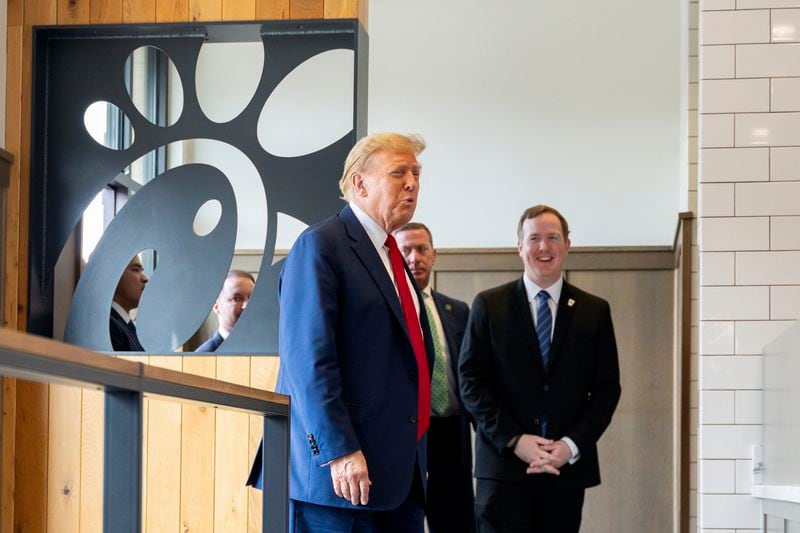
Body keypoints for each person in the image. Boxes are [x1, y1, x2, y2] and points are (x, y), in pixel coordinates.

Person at [247, 132, 435, 533]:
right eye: (398, 172)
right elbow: (307, 361)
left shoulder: (391, 257)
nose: (412, 183)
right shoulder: (322, 245)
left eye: (416, 173)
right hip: (339, 481)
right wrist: (339, 452)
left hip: (397, 477)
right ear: (360, 183)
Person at [459, 205, 621, 533]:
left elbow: (607, 390)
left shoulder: (595, 310)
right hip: (503, 470)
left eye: (552, 238)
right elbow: (471, 384)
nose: (543, 247)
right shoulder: (489, 305)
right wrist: (515, 440)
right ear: (520, 247)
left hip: (565, 472)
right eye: (534, 238)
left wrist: (570, 446)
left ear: (567, 245)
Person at [395, 222, 475, 533]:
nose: (414, 257)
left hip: (452, 436)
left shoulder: (458, 310)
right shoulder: (389, 310)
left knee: (457, 523)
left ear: (434, 255)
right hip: (409, 436)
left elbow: (470, 375)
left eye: (421, 249)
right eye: (405, 251)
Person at [196, 270, 255, 352]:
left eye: (251, 298)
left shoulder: (269, 348)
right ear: (216, 306)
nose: (246, 305)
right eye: (236, 299)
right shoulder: (204, 356)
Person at [109, 255, 148, 351]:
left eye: (141, 270)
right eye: (135, 270)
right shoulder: (111, 327)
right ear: (114, 274)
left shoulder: (125, 325)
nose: (145, 278)